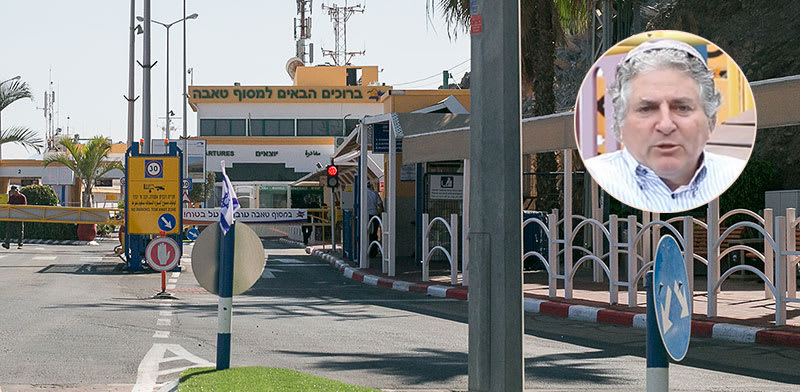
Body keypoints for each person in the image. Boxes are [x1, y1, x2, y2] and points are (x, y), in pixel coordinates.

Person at [584, 39, 746, 213]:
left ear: (711, 120)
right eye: (646, 109)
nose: (666, 125)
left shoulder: (729, 172)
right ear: (619, 124)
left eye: (682, 108)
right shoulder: (602, 174)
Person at [366, 182, 384, 257]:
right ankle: (373, 252)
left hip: (365, 215)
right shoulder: (375, 193)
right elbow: (380, 204)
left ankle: (366, 251)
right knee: (374, 233)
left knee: (366, 233)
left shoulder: (361, 193)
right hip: (374, 215)